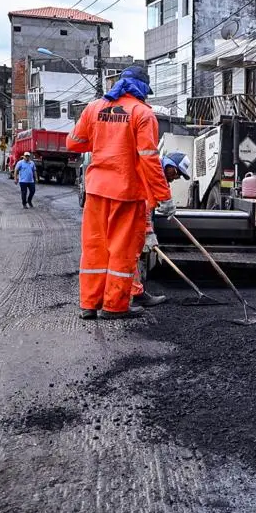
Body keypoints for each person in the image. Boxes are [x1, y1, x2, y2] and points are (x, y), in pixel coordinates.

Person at [66, 65, 174, 321]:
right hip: (126, 192)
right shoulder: (142, 114)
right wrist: (164, 196)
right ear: (142, 89)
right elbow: (149, 158)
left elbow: (74, 142)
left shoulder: (94, 108)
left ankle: (89, 304)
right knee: (122, 250)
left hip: (96, 190)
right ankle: (114, 306)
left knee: (94, 248)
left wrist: (104, 139)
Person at [131, 151, 192, 308]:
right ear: (169, 165)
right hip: (129, 215)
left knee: (130, 257)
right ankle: (134, 294)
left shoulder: (158, 176)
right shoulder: (152, 170)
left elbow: (146, 208)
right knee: (129, 256)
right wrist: (148, 231)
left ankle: (132, 293)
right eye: (177, 173)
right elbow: (142, 204)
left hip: (134, 216)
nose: (175, 178)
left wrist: (149, 232)